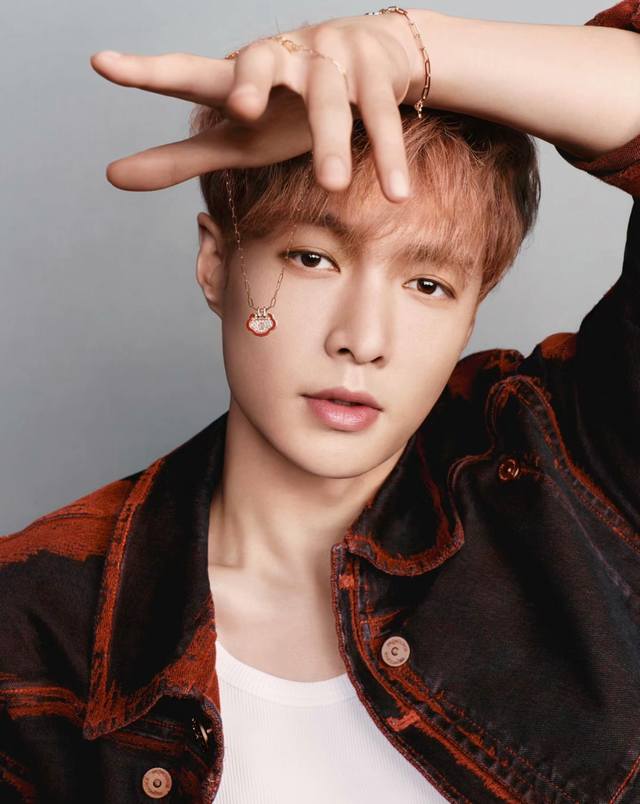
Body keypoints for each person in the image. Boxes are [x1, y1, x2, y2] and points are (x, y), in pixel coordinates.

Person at [1, 2, 639, 802]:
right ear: (216, 265)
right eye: (313, 258)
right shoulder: (36, 628)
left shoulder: (563, 472)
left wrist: (408, 47)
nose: (363, 339)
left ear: (474, 309)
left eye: (427, 284)